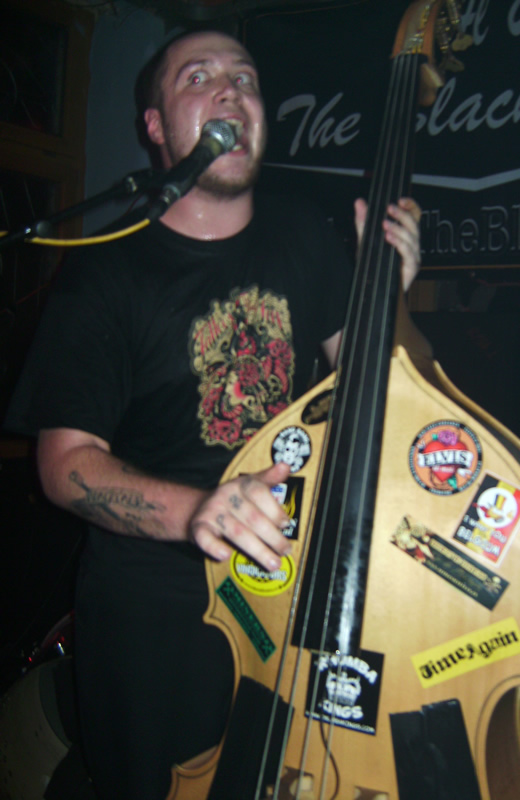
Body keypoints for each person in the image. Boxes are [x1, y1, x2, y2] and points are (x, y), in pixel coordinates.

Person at [5, 30, 422, 800]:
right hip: (154, 608)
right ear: (156, 127)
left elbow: (382, 393)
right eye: (199, 77)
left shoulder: (303, 235)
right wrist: (200, 510)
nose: (231, 89)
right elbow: (64, 465)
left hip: (288, 586)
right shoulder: (104, 271)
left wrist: (387, 297)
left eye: (246, 78)